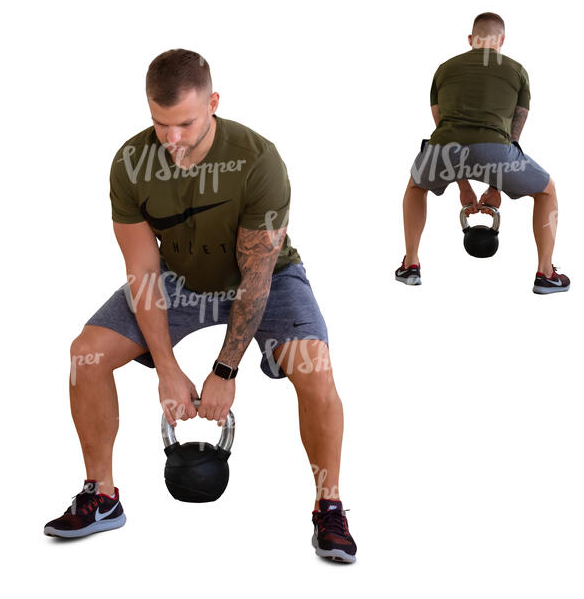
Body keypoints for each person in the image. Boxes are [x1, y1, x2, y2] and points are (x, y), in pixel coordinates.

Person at [43, 49, 357, 563]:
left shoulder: (258, 160)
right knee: (87, 353)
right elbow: (143, 272)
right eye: (160, 124)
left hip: (267, 278)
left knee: (316, 367)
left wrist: (225, 370)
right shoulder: (130, 164)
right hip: (182, 279)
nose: (172, 139)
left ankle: (330, 506)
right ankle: (101, 495)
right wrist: (166, 370)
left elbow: (255, 279)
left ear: (212, 103)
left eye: (186, 123)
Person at [396, 12, 570, 294]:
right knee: (547, 190)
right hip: (496, 151)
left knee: (416, 186)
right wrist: (495, 184)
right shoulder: (516, 70)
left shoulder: (444, 69)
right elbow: (513, 136)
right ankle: (546, 274)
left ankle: (410, 265)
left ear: (470, 40)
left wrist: (462, 186)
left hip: (443, 149)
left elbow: (445, 126)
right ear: (501, 41)